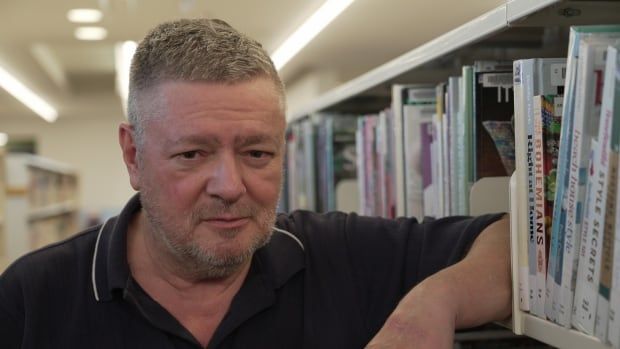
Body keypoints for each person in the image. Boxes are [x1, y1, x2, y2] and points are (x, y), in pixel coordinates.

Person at [0, 18, 511, 348]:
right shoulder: (33, 298)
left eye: (256, 153)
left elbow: (516, 242)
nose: (230, 185)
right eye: (193, 154)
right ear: (133, 156)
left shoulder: (344, 256)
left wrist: (437, 300)